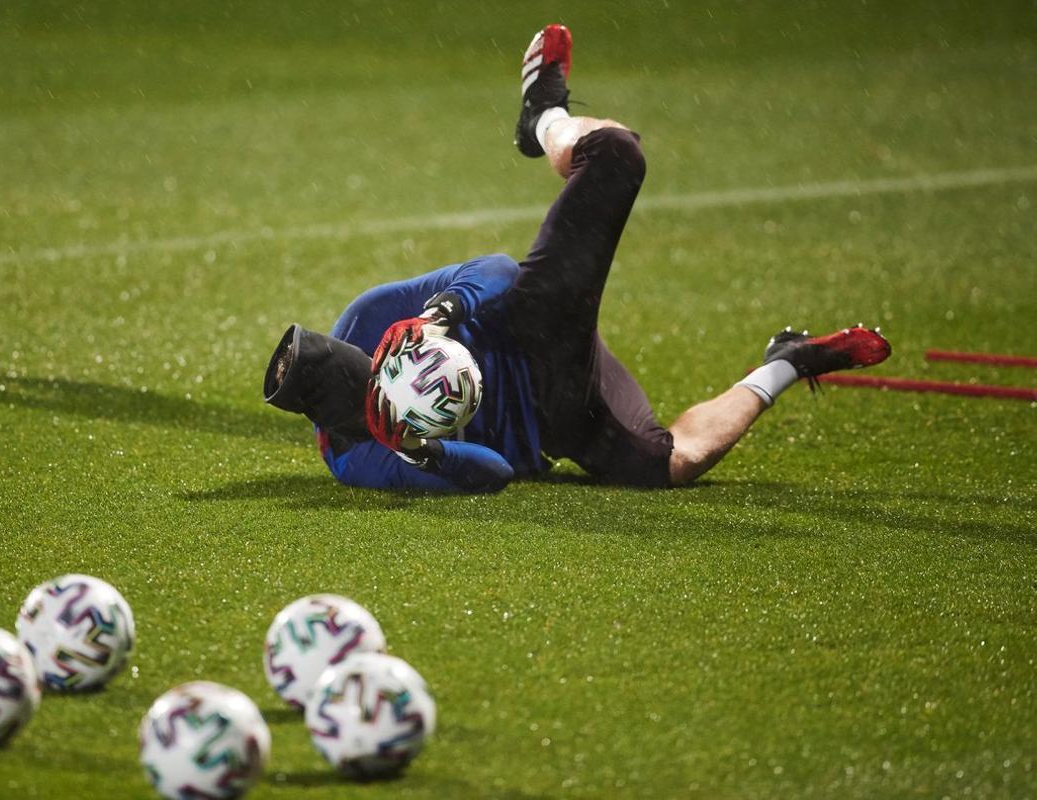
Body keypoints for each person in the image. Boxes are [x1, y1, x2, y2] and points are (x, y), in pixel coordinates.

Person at [263, 24, 891, 493]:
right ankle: (787, 362)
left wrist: (444, 312)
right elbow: (495, 474)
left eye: (360, 355)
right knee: (667, 465)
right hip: (556, 417)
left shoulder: (369, 316)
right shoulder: (358, 460)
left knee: (617, 155)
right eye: (362, 371)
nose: (368, 356)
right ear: (335, 411)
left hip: (534, 321)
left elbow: (499, 271)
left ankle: (544, 117)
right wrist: (421, 451)